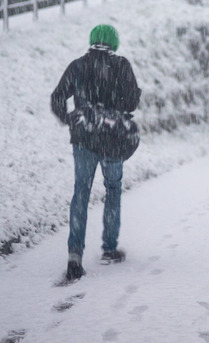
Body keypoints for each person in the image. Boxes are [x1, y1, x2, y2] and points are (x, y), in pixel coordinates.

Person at [51, 24, 142, 281]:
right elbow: (132, 101)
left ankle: (74, 255)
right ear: (114, 43)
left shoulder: (77, 66)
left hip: (84, 139)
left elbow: (57, 96)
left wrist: (71, 119)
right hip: (112, 139)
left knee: (81, 191)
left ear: (92, 41)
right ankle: (109, 248)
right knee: (113, 189)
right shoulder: (121, 66)